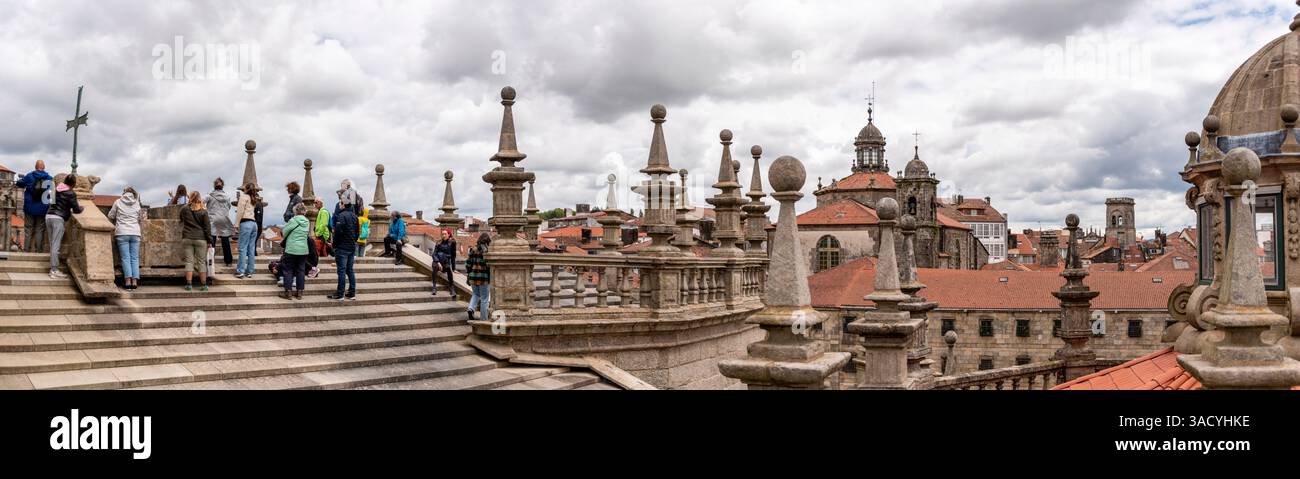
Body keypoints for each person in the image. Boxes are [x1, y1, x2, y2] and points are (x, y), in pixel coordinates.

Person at [45, 174, 83, 279]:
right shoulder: (71, 193)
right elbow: (76, 210)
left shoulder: (56, 189)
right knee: (55, 245)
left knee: (52, 244)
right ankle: (54, 270)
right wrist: (82, 208)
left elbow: (49, 200)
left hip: (48, 216)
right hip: (58, 218)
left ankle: (53, 268)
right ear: (74, 184)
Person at [107, 187, 145, 290]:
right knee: (135, 258)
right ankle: (135, 282)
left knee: (125, 258)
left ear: (124, 193)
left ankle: (128, 282)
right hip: (135, 232)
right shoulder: (137, 203)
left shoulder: (118, 201)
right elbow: (140, 218)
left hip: (122, 232)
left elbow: (111, 215)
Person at [328, 190, 360, 301]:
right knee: (350, 270)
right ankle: (352, 292)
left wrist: (334, 245)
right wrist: (353, 241)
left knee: (341, 271)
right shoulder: (355, 217)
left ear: (342, 205)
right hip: (352, 246)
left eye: (340, 203)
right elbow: (357, 233)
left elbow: (337, 233)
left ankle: (340, 293)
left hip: (342, 247)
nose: (339, 205)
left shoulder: (341, 216)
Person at [16, 160, 52, 253]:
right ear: (44, 167)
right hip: (42, 208)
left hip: (29, 208)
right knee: (40, 229)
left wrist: (23, 181)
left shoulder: (30, 176)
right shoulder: (49, 178)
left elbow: (19, 183)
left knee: (28, 229)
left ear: (35, 167)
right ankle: (39, 250)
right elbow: (52, 195)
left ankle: (26, 250)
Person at [179, 191, 212, 291]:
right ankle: (204, 285)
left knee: (189, 262)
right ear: (199, 198)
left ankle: (189, 285)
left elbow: (181, 219)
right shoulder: (203, 211)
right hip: (201, 239)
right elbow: (207, 228)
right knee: (201, 262)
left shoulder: (184, 209)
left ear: (190, 197)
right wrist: (209, 241)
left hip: (187, 237)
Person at [279, 202, 310, 300]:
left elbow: (284, 232)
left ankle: (288, 293)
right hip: (303, 250)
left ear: (296, 211)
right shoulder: (307, 221)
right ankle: (299, 292)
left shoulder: (293, 220)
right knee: (301, 270)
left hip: (291, 249)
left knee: (288, 270)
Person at [206, 178, 235, 267]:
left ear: (214, 186)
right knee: (225, 240)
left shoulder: (209, 196)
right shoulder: (227, 197)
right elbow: (229, 207)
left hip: (212, 218)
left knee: (212, 240)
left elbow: (202, 202)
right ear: (223, 186)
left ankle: (211, 261)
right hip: (223, 218)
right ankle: (228, 261)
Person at [233, 183, 260, 278]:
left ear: (246, 189)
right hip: (254, 224)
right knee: (251, 248)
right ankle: (250, 271)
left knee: (242, 248)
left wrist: (236, 224)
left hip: (246, 223)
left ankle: (241, 271)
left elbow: (240, 211)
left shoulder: (243, 197)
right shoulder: (253, 198)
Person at [465, 233, 491, 320]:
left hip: (473, 277)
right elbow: (489, 265)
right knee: (484, 298)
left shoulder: (473, 249)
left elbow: (467, 264)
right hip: (484, 278)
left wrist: (469, 274)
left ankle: (471, 308)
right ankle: (483, 319)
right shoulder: (487, 251)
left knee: (476, 294)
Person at [433, 229, 457, 296]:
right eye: (442, 234)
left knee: (448, 269)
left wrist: (454, 268)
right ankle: (434, 287)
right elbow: (434, 254)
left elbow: (453, 256)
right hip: (437, 261)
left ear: (449, 235)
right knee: (434, 267)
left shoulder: (452, 243)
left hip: (445, 262)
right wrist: (438, 262)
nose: (443, 236)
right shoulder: (438, 242)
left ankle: (451, 288)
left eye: (445, 234)